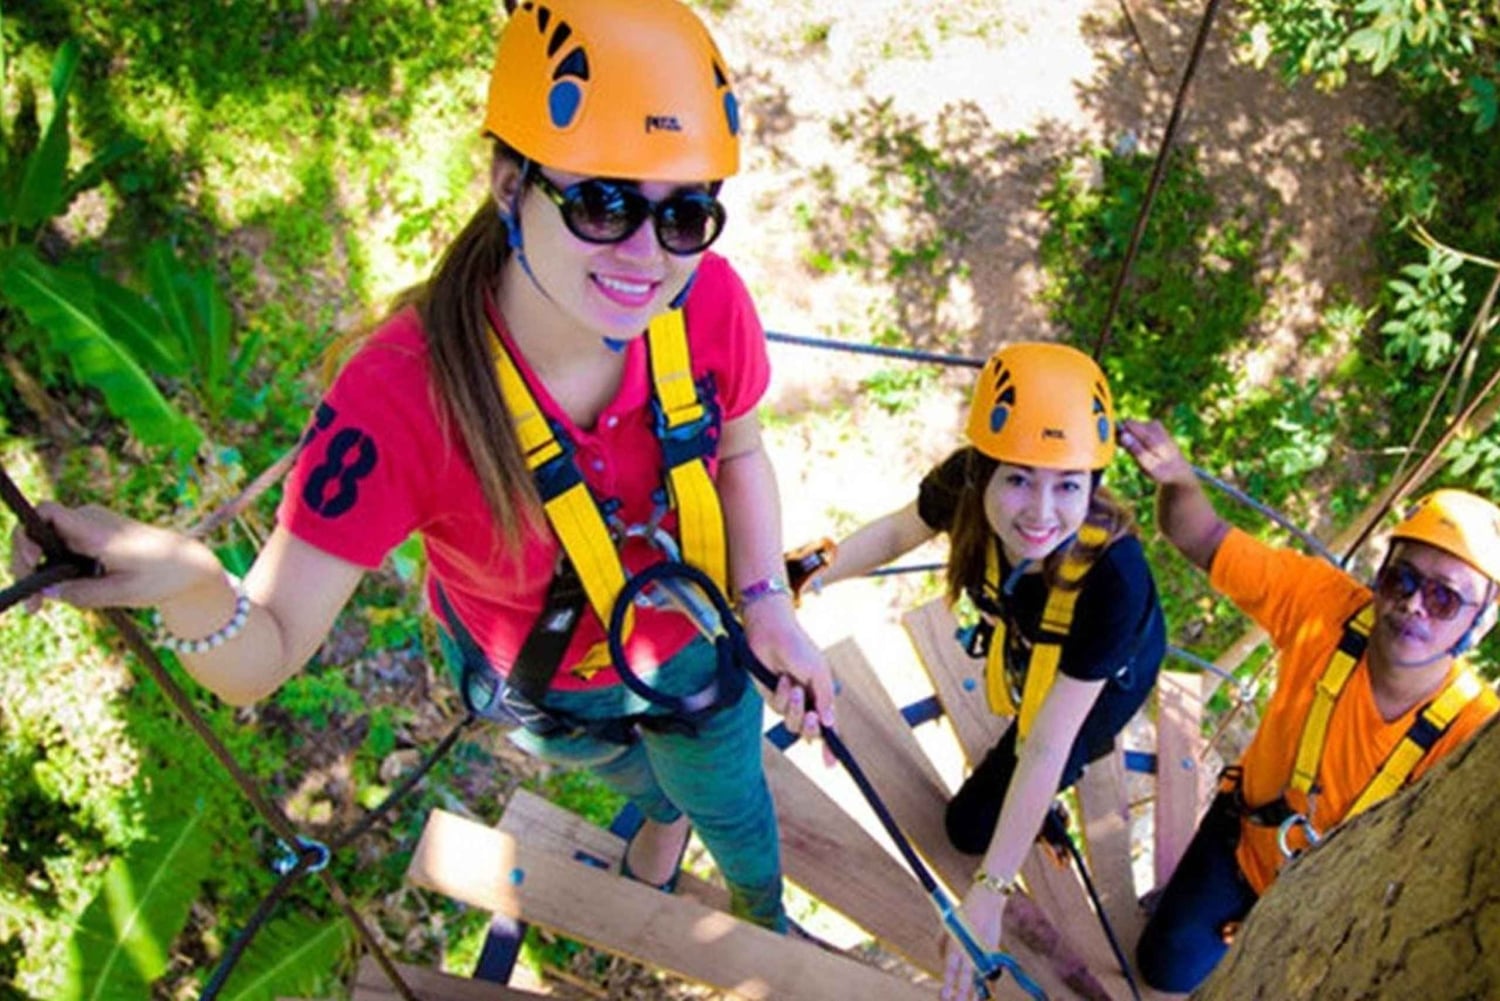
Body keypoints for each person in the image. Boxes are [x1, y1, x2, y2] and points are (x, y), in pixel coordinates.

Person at [8, 0, 833, 934]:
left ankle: (761, 922)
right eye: (603, 204)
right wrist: (188, 586)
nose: (645, 256)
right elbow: (268, 645)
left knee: (730, 794)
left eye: (686, 213)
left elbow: (739, 446)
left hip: (688, 647)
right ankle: (661, 812)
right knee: (643, 773)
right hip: (549, 684)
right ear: (509, 181)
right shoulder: (400, 398)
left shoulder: (707, 299)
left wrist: (765, 602)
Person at [803, 342, 1165, 999]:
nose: (1041, 512)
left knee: (971, 827)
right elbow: (893, 534)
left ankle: (1038, 810)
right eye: (1020, 478)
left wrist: (991, 890)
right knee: (998, 786)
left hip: (1108, 676)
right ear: (986, 469)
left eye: (1068, 485)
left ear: (1092, 483)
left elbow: (1048, 740)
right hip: (1033, 633)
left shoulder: (1116, 583)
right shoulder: (964, 483)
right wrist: (799, 576)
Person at [1120, 418, 1500, 993]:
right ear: (1380, 574)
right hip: (1246, 846)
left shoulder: (1473, 730)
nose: (1414, 606)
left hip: (1335, 915)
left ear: (1481, 621)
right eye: (1402, 579)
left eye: (1445, 598)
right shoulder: (1324, 607)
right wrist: (1177, 479)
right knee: (1162, 968)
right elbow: (1203, 537)